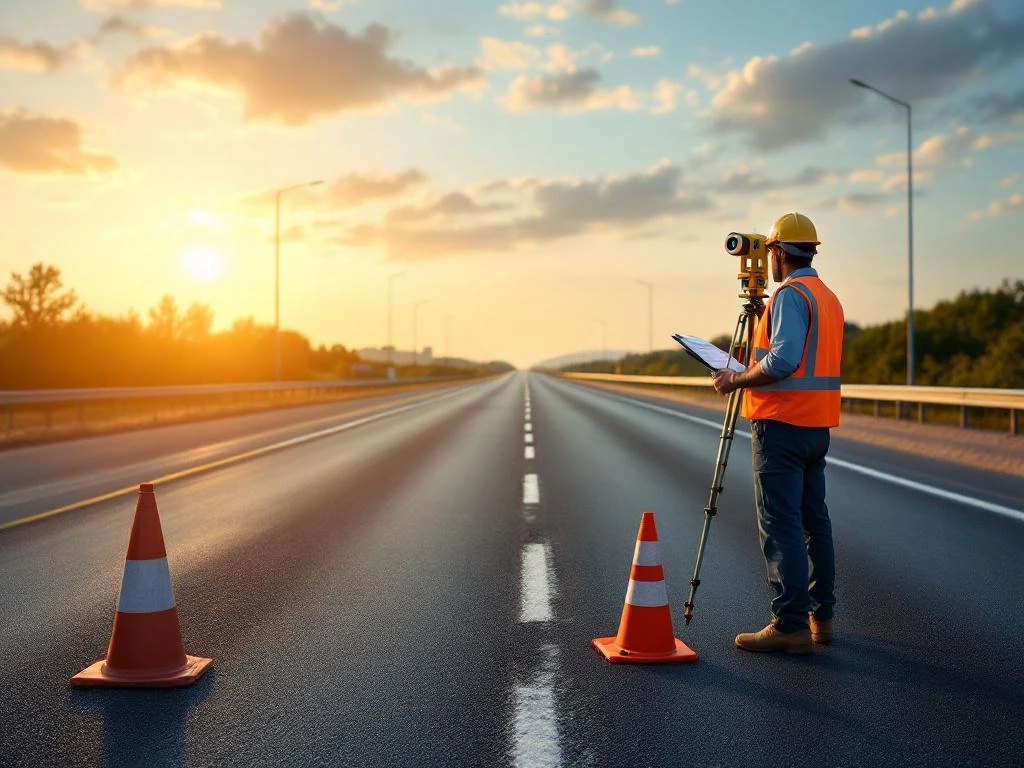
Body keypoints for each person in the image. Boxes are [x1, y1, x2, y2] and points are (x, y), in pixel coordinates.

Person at [711, 212, 844, 654]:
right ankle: (819, 618)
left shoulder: (790, 296)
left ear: (779, 252)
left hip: (782, 424)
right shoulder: (826, 296)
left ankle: (789, 623)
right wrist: (760, 317)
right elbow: (793, 353)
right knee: (813, 521)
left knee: (780, 522)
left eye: (768, 251)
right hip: (815, 424)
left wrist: (735, 380)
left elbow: (784, 361)